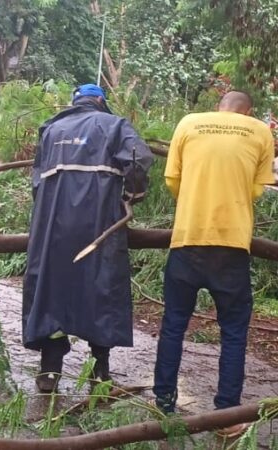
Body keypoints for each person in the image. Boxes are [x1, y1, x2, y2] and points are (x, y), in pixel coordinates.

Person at [152, 91, 274, 436]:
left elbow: (172, 180)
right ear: (248, 111)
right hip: (232, 247)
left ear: (220, 106)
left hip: (187, 240)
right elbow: (257, 189)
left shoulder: (189, 123)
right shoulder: (259, 131)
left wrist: (195, 201)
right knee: (233, 333)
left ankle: (163, 404)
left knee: (174, 324)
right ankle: (227, 416)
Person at [22, 83, 153, 393]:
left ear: (75, 102)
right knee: (101, 290)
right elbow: (138, 158)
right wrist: (133, 194)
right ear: (100, 103)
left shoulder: (51, 128)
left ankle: (50, 372)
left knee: (51, 291)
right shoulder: (115, 125)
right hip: (99, 225)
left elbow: (37, 181)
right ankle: (99, 373)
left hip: (51, 227)